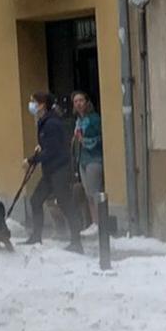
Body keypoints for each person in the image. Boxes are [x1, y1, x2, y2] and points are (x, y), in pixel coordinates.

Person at [24, 92, 77, 244]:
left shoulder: (51, 123)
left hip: (59, 168)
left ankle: (76, 240)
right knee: (36, 200)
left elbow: (53, 150)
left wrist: (31, 160)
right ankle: (36, 236)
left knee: (64, 202)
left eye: (33, 102)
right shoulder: (45, 121)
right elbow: (49, 145)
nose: (31, 105)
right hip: (51, 169)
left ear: (42, 105)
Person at [69, 91, 104, 232]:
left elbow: (99, 137)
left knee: (95, 192)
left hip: (94, 158)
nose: (78, 103)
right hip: (82, 159)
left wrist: (84, 140)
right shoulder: (78, 120)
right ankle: (94, 223)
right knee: (88, 193)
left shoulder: (94, 119)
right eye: (76, 101)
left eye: (81, 100)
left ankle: (100, 224)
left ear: (87, 102)